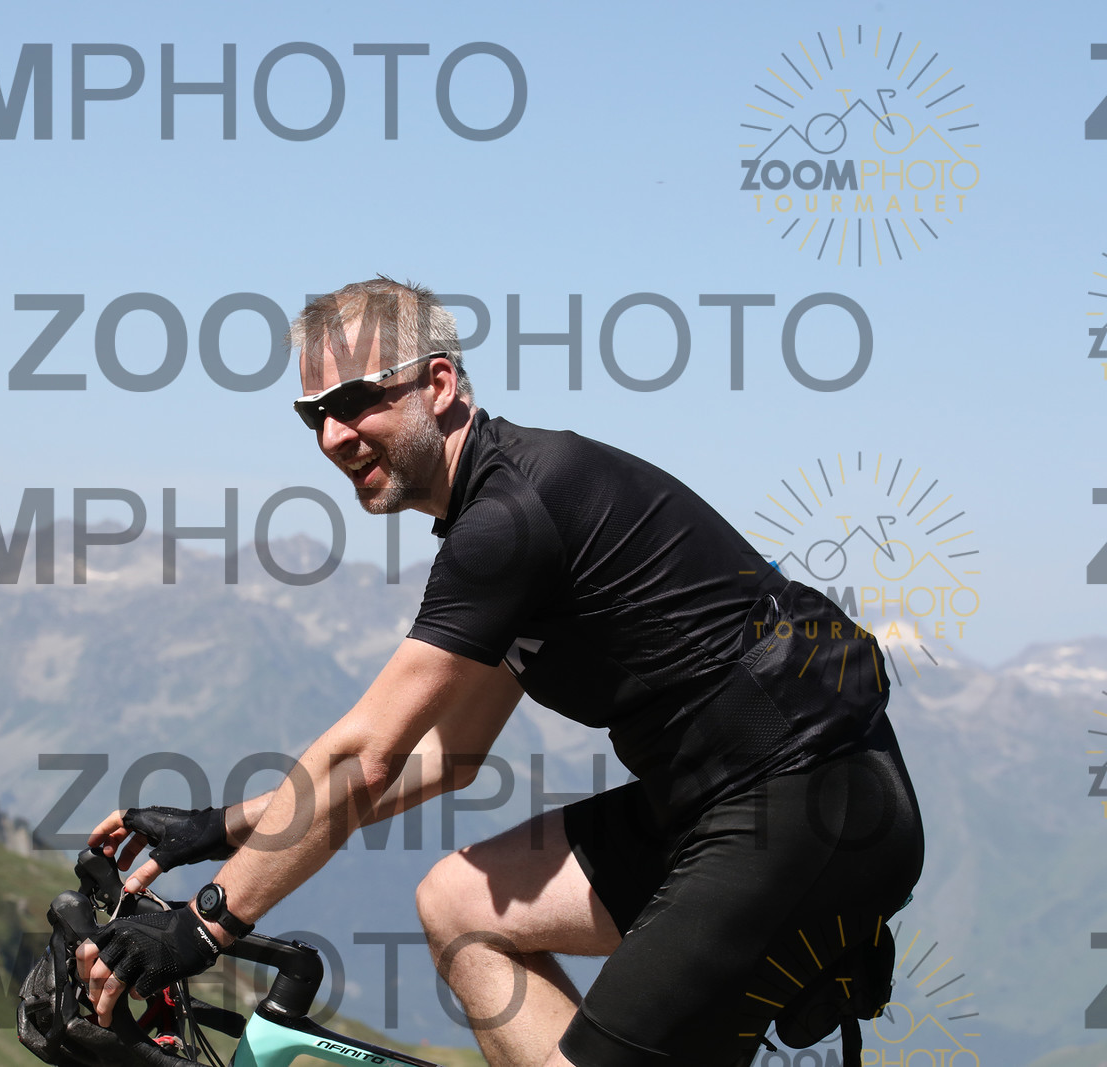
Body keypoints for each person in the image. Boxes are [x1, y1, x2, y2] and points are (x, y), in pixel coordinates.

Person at [78, 278, 925, 1066]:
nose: (333, 435)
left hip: (811, 805)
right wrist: (223, 826)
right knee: (459, 906)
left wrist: (206, 923)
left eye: (356, 400)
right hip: (719, 801)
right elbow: (444, 757)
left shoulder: (512, 516)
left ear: (439, 383)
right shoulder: (500, 516)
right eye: (314, 415)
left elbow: (364, 755)